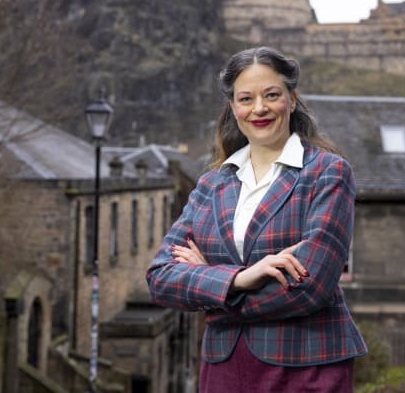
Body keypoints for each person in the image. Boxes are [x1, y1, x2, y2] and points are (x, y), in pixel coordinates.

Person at [146, 46, 367, 392]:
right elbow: (161, 277)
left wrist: (213, 293)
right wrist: (240, 279)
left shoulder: (328, 173)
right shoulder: (211, 183)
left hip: (306, 367)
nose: (259, 108)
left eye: (272, 95)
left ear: (291, 100)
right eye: (246, 98)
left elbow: (311, 288)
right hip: (225, 368)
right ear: (233, 108)